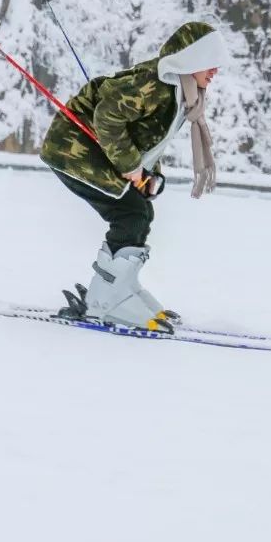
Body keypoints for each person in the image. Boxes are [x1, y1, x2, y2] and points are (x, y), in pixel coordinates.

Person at [39, 18, 227, 329]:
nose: (215, 71)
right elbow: (107, 116)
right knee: (131, 213)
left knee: (140, 211)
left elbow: (148, 139)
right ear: (191, 58)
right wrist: (130, 167)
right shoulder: (155, 85)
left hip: (98, 156)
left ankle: (119, 289)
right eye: (210, 63)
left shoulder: (183, 93)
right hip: (73, 150)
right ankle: (105, 300)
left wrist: (150, 176)